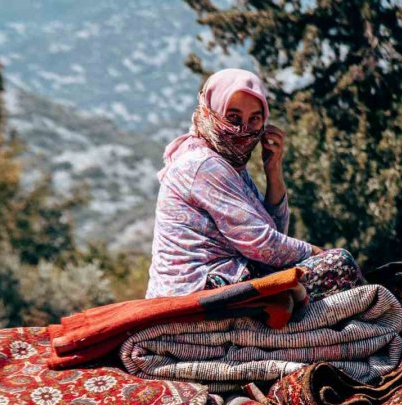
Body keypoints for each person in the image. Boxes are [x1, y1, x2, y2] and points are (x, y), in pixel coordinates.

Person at [146, 68, 363, 300]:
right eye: (233, 118)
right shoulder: (204, 165)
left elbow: (274, 233)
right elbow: (262, 244)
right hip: (196, 289)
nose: (243, 130)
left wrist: (273, 170)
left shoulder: (231, 166)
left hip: (222, 278)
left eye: (254, 119)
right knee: (340, 264)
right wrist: (318, 253)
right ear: (211, 112)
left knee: (329, 269)